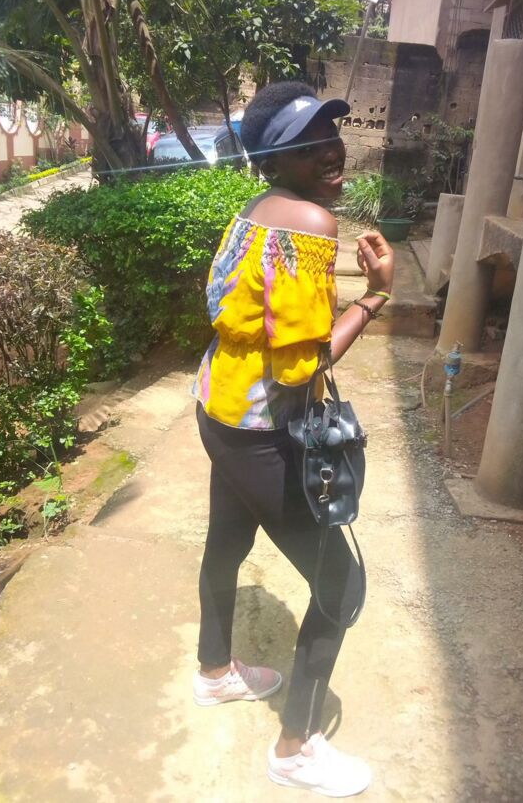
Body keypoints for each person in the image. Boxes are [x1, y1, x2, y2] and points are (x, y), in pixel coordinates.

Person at [191, 81, 394, 797]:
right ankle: (295, 748)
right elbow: (304, 364)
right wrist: (376, 295)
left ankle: (215, 669)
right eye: (308, 145)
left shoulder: (255, 210)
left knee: (227, 539)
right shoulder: (310, 222)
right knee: (342, 584)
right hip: (260, 430)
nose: (331, 151)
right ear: (274, 160)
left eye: (331, 134)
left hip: (218, 406)